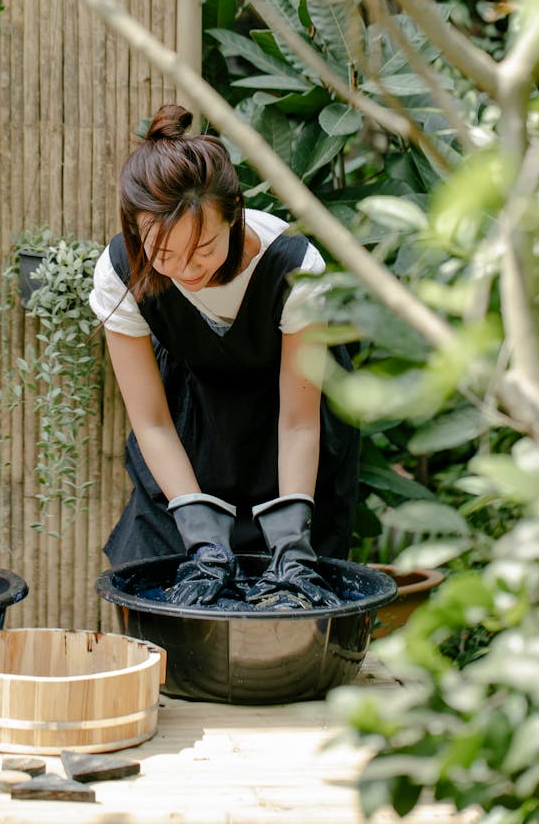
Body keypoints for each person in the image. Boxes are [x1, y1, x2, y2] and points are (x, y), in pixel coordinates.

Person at [90, 104, 359, 608]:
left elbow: (300, 423)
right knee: (162, 582)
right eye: (164, 254)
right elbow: (150, 421)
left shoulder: (296, 268)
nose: (186, 269)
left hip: (289, 425)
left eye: (203, 249)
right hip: (190, 421)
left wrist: (291, 543)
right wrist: (198, 527)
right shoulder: (120, 271)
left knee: (294, 594)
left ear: (233, 214)